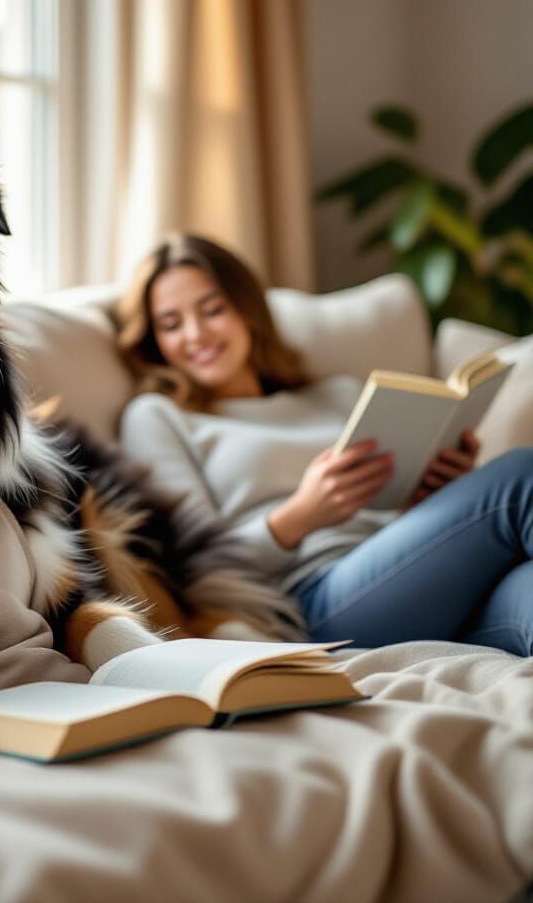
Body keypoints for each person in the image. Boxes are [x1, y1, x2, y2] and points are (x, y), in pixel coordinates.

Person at [115, 234, 533, 656]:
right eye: (171, 324)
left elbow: (390, 518)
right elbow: (195, 569)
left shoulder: (337, 394)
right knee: (519, 477)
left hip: (414, 579)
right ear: (153, 340)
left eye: (213, 310)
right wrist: (299, 516)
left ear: (247, 311)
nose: (196, 334)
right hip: (314, 600)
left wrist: (430, 493)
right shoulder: (158, 416)